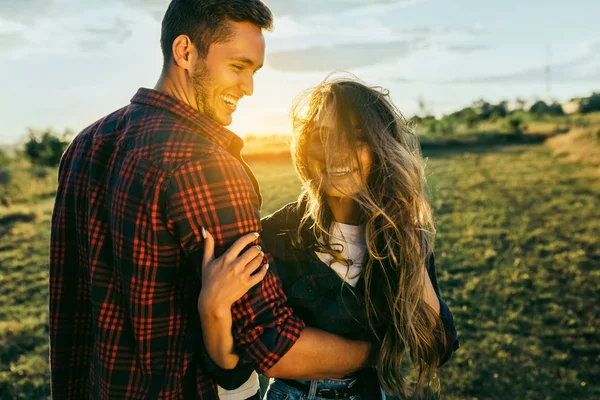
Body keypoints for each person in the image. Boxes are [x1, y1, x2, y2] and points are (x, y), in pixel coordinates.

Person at [49, 1, 375, 398]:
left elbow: (69, 305)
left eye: (254, 71)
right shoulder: (204, 166)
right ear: (185, 51)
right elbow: (271, 343)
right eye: (238, 67)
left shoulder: (86, 143)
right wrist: (375, 352)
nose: (249, 88)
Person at [199, 76, 459, 399]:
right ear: (305, 148)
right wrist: (379, 351)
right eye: (323, 136)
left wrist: (407, 239)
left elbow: (437, 346)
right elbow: (258, 355)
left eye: (356, 138)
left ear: (381, 149)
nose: (337, 153)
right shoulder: (275, 236)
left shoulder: (401, 237)